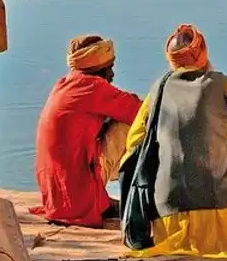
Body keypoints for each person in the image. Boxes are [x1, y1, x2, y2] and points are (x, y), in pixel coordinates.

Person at [121, 24, 227, 258]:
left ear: (171, 59)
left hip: (168, 215)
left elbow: (134, 141)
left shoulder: (158, 89)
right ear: (203, 52)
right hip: (223, 218)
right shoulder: (222, 84)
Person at [31, 35, 143, 228]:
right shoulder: (94, 87)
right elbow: (140, 111)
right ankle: (137, 199)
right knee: (133, 126)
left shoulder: (64, 84)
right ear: (101, 69)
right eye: (110, 67)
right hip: (78, 200)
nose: (113, 74)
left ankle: (104, 199)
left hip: (55, 198)